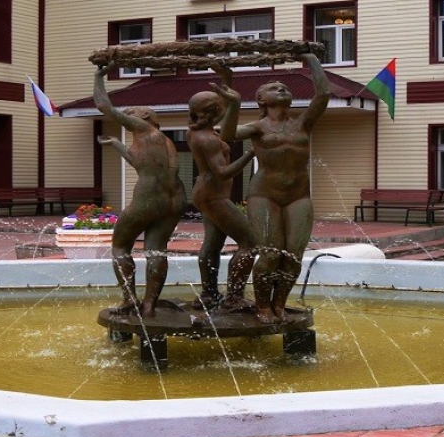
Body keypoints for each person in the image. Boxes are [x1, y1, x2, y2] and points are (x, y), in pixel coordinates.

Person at [215, 53, 330, 324]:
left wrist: (311, 58)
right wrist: (233, 104)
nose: (282, 89)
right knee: (269, 254)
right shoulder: (258, 127)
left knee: (294, 256)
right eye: (274, 88)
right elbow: (227, 134)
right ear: (261, 100)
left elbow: (323, 94)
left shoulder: (302, 123)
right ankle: (263, 306)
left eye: (285, 87)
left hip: (298, 196)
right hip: (264, 195)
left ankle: (279, 305)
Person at [94, 66, 186, 317]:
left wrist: (99, 77)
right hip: (175, 199)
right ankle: (149, 306)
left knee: (120, 246)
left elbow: (104, 107)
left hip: (149, 198)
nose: (126, 117)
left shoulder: (145, 129)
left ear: (144, 115)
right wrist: (116, 144)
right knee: (156, 249)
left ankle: (130, 299)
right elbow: (139, 164)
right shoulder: (162, 140)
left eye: (130, 113)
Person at [187, 66, 257, 311]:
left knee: (213, 243)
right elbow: (222, 172)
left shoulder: (197, 131)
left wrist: (227, 78)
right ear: (213, 112)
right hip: (213, 195)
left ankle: (209, 295)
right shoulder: (207, 139)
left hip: (206, 193)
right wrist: (250, 154)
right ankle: (234, 298)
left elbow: (225, 108)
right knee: (249, 242)